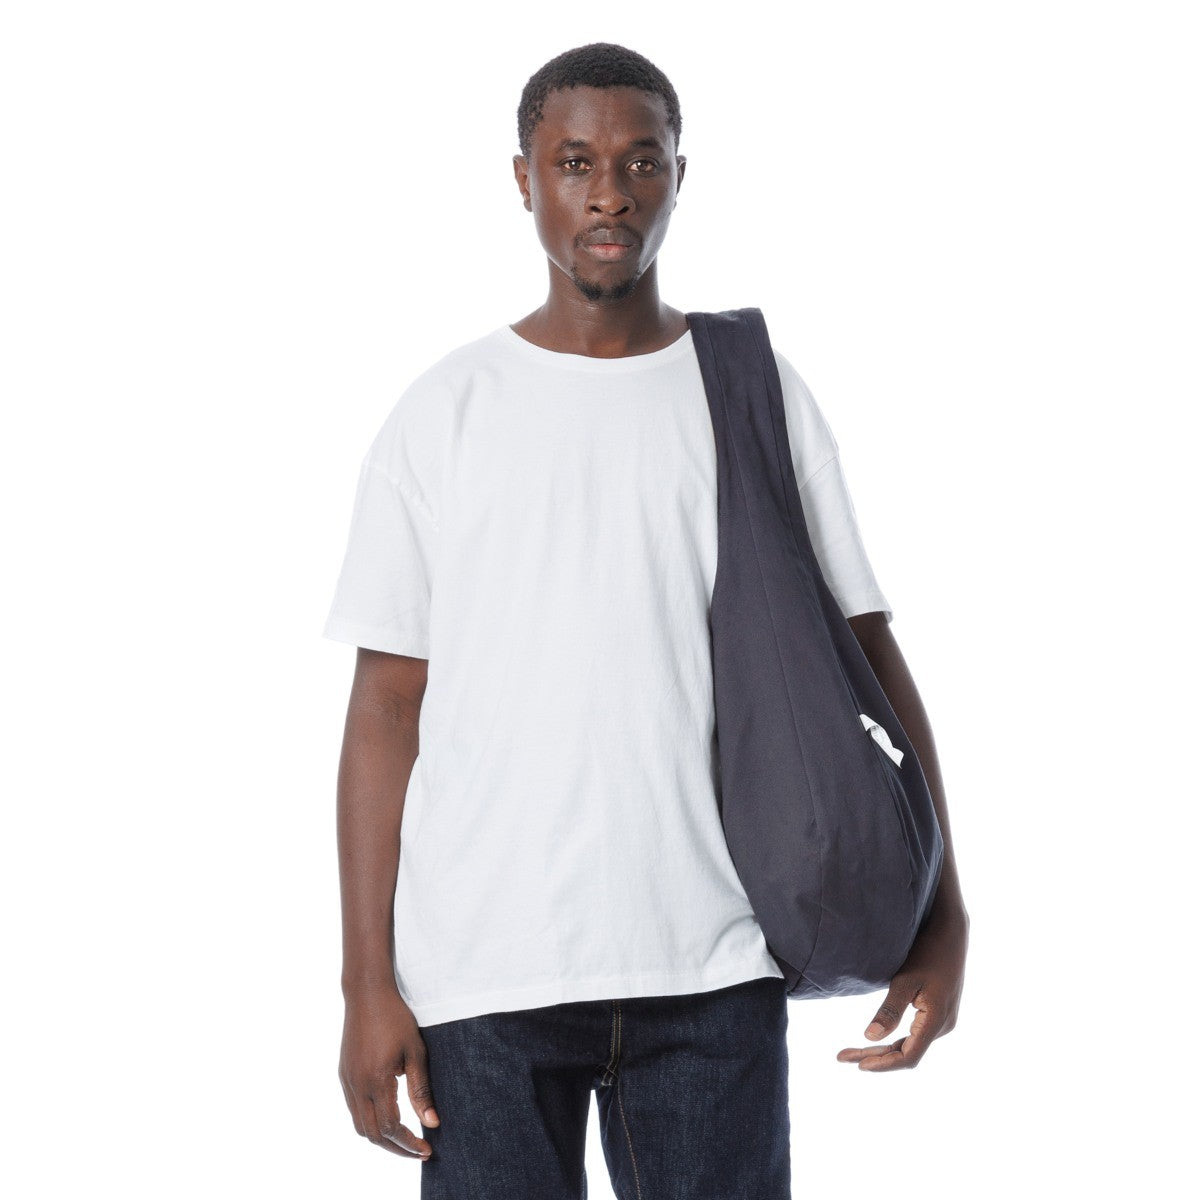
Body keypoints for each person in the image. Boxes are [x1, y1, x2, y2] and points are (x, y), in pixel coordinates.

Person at [323, 41, 969, 1200]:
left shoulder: (752, 391)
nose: (609, 193)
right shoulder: (445, 414)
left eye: (640, 161)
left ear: (679, 176)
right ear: (523, 179)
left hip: (711, 966)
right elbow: (385, 709)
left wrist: (943, 913)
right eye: (575, 162)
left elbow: (865, 662)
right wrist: (365, 983)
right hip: (484, 978)